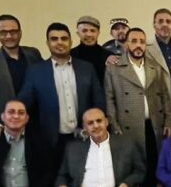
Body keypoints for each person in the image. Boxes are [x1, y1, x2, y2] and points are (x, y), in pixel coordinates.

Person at [104, 26, 171, 187]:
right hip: (128, 130)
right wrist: (114, 127)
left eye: (142, 41)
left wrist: (169, 122)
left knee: (152, 172)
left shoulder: (154, 67)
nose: (138, 45)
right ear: (126, 44)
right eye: (134, 41)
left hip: (153, 128)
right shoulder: (114, 67)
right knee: (134, 174)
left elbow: (165, 97)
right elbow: (110, 99)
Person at [17, 22, 105, 160]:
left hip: (84, 138)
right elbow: (22, 104)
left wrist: (96, 127)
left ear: (71, 41)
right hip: (50, 142)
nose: (59, 42)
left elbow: (99, 100)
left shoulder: (87, 68)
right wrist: (3, 123)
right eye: (54, 39)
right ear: (47, 43)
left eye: (64, 38)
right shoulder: (36, 71)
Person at [0, 14, 43, 133]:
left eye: (13, 31)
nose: (9, 36)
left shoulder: (33, 54)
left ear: (20, 33)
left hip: (35, 124)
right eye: (3, 32)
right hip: (3, 127)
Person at [70, 15, 113, 86]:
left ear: (98, 33)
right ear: (78, 33)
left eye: (92, 31)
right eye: (84, 31)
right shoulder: (70, 55)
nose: (89, 34)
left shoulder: (108, 56)